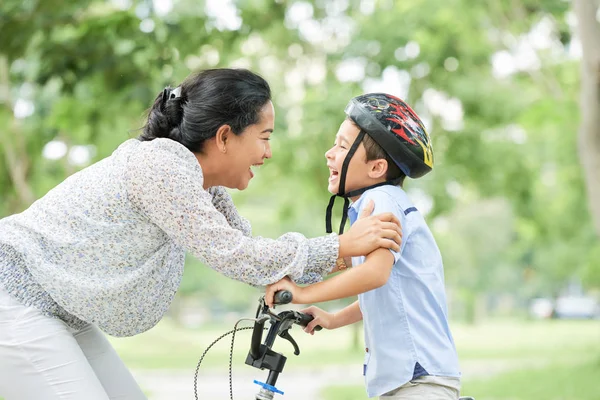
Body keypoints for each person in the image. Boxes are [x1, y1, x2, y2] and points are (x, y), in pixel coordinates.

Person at [0, 69, 403, 400]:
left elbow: (251, 252)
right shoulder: (160, 168)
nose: (268, 153)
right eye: (264, 138)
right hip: (15, 298)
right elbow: (235, 254)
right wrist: (342, 245)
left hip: (61, 310)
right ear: (225, 137)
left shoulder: (202, 186)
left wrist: (328, 264)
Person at [265, 93, 461, 399]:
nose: (330, 154)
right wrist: (332, 318)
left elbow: (375, 275)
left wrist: (303, 293)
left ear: (376, 168)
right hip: (412, 378)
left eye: (342, 146)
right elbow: (388, 294)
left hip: (417, 380)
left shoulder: (380, 200)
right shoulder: (381, 206)